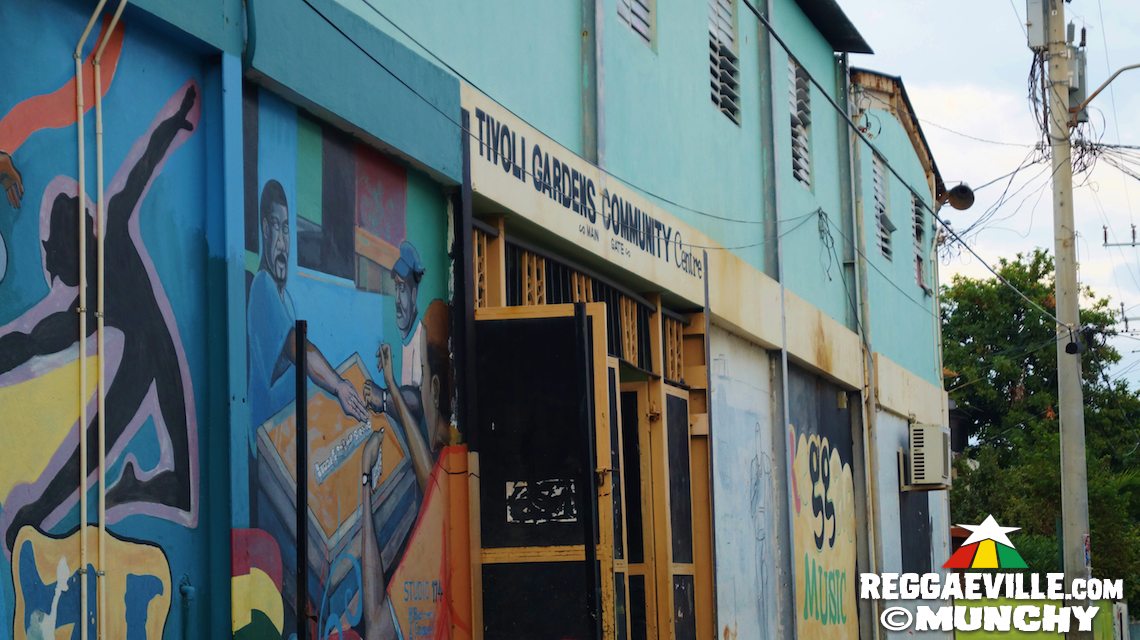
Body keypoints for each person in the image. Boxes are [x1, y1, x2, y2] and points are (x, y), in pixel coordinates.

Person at [0, 84, 199, 550]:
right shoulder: (87, 300)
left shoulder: (108, 239)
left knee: (98, 438)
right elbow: (30, 341)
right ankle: (39, 512)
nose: (52, 267)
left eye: (53, 254)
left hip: (153, 357)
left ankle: (39, 512)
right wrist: (172, 122)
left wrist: (172, 123)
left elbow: (141, 171)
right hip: (145, 359)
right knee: (97, 436)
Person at [246, 179, 368, 439]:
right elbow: (297, 348)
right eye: (276, 227)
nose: (282, 242)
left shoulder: (286, 298)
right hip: (269, 436)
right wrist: (338, 386)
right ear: (265, 230)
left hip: (289, 428)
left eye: (287, 228)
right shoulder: (263, 286)